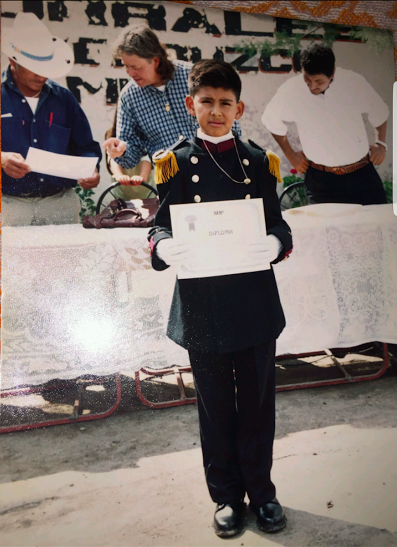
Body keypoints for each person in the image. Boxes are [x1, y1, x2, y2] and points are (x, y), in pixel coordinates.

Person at [148, 59, 292, 538]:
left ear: (239, 107)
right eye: (206, 101)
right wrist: (163, 245)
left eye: (225, 103)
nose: (215, 111)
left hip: (251, 302)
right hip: (203, 305)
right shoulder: (174, 161)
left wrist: (273, 244)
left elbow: (279, 223)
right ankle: (227, 497)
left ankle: (263, 493)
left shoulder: (257, 160)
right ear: (191, 105)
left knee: (256, 405)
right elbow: (159, 224)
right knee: (214, 408)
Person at [1, 12, 102, 226]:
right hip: (8, 206)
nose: (42, 76)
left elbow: (86, 146)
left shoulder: (64, 98)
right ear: (12, 60)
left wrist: (91, 170)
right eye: (35, 68)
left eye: (46, 68)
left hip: (60, 204)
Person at [262, 42, 389, 205]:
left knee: (378, 226)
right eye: (307, 79)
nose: (312, 86)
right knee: (325, 230)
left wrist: (381, 143)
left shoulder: (353, 83)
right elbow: (270, 119)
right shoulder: (291, 90)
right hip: (321, 182)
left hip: (361, 176)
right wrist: (290, 154)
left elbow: (379, 111)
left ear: (332, 74)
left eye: (318, 81)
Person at [102, 24, 240, 170]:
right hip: (172, 181)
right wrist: (121, 151)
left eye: (136, 67)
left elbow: (230, 120)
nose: (130, 73)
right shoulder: (128, 97)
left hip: (217, 168)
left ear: (155, 61)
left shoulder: (194, 76)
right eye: (126, 66)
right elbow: (131, 156)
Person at [104, 108, 155, 200]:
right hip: (122, 192)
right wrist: (119, 175)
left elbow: (146, 159)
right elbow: (113, 159)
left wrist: (142, 177)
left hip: (146, 191)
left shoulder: (144, 135)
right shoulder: (112, 135)